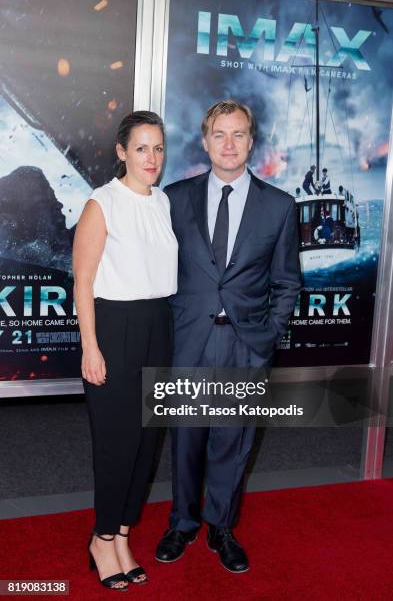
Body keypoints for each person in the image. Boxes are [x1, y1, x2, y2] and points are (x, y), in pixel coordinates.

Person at [155, 100, 301, 573]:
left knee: (232, 441)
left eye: (239, 134)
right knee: (186, 438)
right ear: (205, 140)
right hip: (188, 339)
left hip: (244, 343)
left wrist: (268, 335)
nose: (229, 144)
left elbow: (287, 281)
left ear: (251, 141)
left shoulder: (279, 206)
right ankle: (182, 523)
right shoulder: (174, 198)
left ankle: (221, 525)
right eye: (220, 134)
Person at [73, 111, 178, 590]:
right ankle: (100, 538)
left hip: (159, 324)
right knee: (117, 443)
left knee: (146, 443)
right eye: (141, 148)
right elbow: (84, 282)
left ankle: (121, 535)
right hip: (114, 328)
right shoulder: (102, 203)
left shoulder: (163, 202)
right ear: (121, 152)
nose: (151, 158)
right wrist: (90, 348)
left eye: (157, 148)